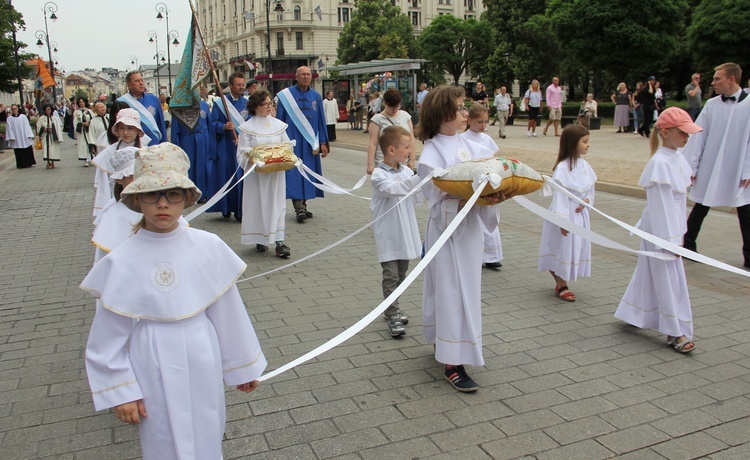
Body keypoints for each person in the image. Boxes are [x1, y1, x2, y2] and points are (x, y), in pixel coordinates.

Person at [81, 143, 267, 459]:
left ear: (186, 197)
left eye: (173, 194)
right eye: (153, 194)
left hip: (200, 352)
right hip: (149, 357)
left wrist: (242, 366)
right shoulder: (123, 259)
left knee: (207, 426)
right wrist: (121, 390)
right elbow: (108, 334)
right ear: (138, 199)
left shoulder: (206, 246)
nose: (163, 204)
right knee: (161, 435)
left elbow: (227, 311)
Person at [416, 85, 507, 392]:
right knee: (451, 292)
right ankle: (453, 362)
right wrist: (470, 199)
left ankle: (451, 344)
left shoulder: (472, 143)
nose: (466, 113)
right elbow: (437, 200)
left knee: (466, 289)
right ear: (443, 114)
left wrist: (493, 195)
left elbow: (490, 171)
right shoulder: (431, 153)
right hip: (447, 231)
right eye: (460, 108)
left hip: (470, 232)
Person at [615, 107, 701, 353]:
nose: (687, 136)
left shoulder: (677, 157)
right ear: (665, 132)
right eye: (682, 131)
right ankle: (675, 332)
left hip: (672, 227)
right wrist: (670, 241)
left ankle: (633, 311)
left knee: (651, 273)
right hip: (662, 231)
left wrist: (680, 234)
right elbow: (660, 207)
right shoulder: (659, 163)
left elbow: (679, 202)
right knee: (668, 278)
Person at [682, 62, 750, 269]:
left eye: (717, 78)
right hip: (712, 164)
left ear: (731, 79)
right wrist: (690, 167)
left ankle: (749, 255)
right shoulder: (711, 105)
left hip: (738, 165)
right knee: (701, 205)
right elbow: (698, 137)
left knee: (745, 211)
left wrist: (748, 169)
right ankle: (687, 246)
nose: (713, 83)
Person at [371, 125, 421, 338]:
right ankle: (392, 314)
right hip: (389, 234)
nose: (410, 151)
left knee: (402, 274)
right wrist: (421, 177)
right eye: (407, 147)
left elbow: (416, 197)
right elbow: (393, 189)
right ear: (392, 150)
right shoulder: (378, 175)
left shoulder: (407, 171)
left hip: (405, 232)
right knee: (390, 275)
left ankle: (393, 306)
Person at [538, 124, 596, 302]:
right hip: (565, 214)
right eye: (584, 142)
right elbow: (560, 197)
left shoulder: (585, 165)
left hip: (580, 214)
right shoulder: (562, 168)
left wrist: (587, 201)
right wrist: (562, 221)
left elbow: (590, 189)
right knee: (561, 247)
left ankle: (561, 278)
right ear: (572, 143)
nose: (588, 145)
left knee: (574, 248)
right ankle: (561, 284)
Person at [237, 90, 292, 258]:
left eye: (270, 103)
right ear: (256, 106)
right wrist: (253, 159)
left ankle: (279, 242)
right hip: (257, 176)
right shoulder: (247, 128)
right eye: (266, 104)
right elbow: (241, 153)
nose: (269, 107)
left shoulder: (278, 125)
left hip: (276, 174)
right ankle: (260, 237)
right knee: (258, 204)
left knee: (277, 204)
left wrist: (286, 155)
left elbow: (287, 144)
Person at [276, 66, 329, 223]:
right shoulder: (286, 96)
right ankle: (299, 208)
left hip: (309, 144)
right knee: (294, 174)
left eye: (308, 74)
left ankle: (303, 205)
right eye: (303, 75)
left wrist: (323, 142)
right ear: (296, 76)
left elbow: (321, 120)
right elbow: (279, 119)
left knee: (308, 173)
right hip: (292, 142)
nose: (306, 77)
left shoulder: (316, 96)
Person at [461, 104, 504, 270]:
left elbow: (493, 158)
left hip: (488, 180)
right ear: (470, 120)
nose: (483, 125)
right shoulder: (464, 138)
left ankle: (492, 255)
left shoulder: (487, 139)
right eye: (480, 122)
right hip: (472, 180)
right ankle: (476, 255)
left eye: (486, 122)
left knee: (489, 217)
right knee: (475, 220)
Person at [91, 108, 146, 220]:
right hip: (118, 203)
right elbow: (104, 187)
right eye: (121, 128)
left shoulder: (147, 152)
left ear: (138, 130)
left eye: (130, 128)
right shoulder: (108, 154)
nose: (125, 132)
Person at [208, 72, 248, 220]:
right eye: (238, 84)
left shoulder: (248, 103)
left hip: (243, 145)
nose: (241, 87)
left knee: (242, 178)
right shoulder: (220, 103)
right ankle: (226, 207)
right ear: (230, 86)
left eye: (242, 84)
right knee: (227, 176)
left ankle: (240, 210)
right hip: (226, 146)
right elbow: (212, 123)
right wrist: (223, 126)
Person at [171, 90, 211, 197]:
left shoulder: (205, 106)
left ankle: (205, 192)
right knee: (189, 166)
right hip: (187, 140)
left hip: (203, 139)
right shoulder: (178, 108)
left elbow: (210, 124)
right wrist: (176, 146)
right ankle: (190, 193)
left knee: (204, 166)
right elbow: (175, 130)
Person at [366, 88, 416, 175]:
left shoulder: (405, 116)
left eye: (397, 106)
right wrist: (370, 164)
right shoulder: (377, 120)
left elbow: (411, 139)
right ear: (385, 103)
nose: (394, 109)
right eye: (391, 107)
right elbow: (373, 143)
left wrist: (412, 159)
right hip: (384, 163)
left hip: (403, 161)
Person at [117, 71, 167, 146]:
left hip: (153, 143)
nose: (141, 83)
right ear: (129, 85)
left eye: (142, 80)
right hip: (133, 144)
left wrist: (164, 143)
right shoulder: (120, 102)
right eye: (137, 81)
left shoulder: (154, 99)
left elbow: (161, 124)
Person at [5, 104, 36, 169]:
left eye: (15, 109)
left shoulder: (23, 117)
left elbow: (27, 126)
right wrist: (11, 137)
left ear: (18, 109)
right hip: (16, 137)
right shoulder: (9, 119)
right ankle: (20, 164)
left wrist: (29, 135)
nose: (14, 110)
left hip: (24, 136)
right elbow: (9, 128)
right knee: (18, 150)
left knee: (27, 148)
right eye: (12, 109)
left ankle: (28, 163)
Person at [37, 103, 63, 169]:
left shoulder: (54, 118)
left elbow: (58, 128)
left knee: (53, 149)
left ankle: (53, 162)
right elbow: (38, 127)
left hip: (53, 137)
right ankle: (48, 162)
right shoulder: (42, 118)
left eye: (49, 109)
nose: (48, 111)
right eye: (46, 109)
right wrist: (43, 129)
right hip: (45, 136)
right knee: (47, 149)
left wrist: (53, 131)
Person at [74, 98, 96, 166]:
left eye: (82, 101)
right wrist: (81, 124)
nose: (81, 103)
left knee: (90, 144)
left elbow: (94, 120)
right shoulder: (77, 112)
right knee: (83, 145)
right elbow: (75, 122)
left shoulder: (89, 111)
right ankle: (86, 159)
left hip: (89, 130)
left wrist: (89, 123)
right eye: (80, 102)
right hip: (81, 131)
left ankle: (92, 158)